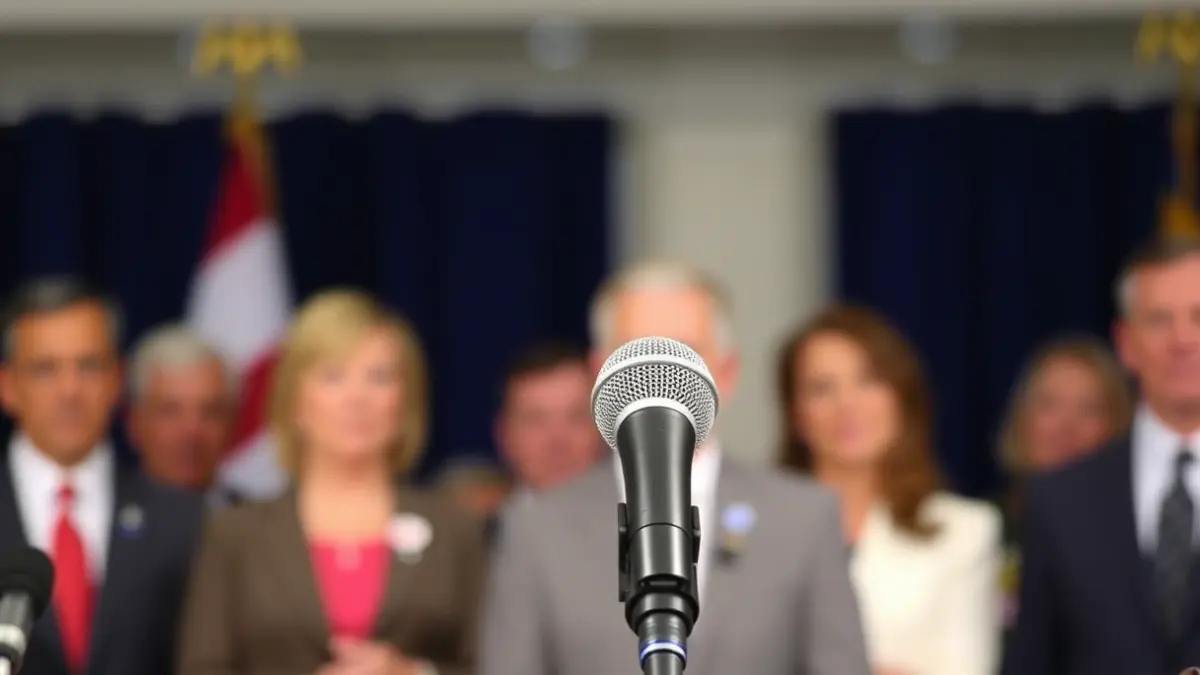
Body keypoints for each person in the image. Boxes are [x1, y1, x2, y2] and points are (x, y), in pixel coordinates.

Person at [479, 261, 870, 675]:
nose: (659, 371)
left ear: (727, 371)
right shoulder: (534, 526)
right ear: (599, 372)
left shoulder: (804, 517)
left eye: (684, 351)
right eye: (638, 351)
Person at [177, 289, 485, 675]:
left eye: (379, 377)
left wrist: (414, 674)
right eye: (333, 376)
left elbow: (497, 664)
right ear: (296, 401)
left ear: (404, 401)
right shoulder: (235, 535)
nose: (357, 397)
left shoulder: (456, 529)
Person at [1004, 236, 1200, 675]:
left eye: (1199, 317)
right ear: (1126, 343)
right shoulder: (1059, 500)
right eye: (1159, 320)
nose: (1183, 340)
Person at [777, 305, 1002, 675]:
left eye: (868, 381)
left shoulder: (965, 530)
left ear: (901, 397)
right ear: (796, 414)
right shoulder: (758, 526)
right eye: (822, 388)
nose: (847, 405)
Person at [0, 277, 202, 675]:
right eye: (45, 369)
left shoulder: (184, 521)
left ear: (116, 379)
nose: (70, 389)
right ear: (8, 386)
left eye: (89, 366)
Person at [993, 335, 1133, 628]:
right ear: (1022, 418)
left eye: (1089, 409)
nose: (1066, 426)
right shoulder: (980, 527)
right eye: (1049, 404)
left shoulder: (1137, 540)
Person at [126, 324, 240, 506]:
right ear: (134, 423)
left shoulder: (260, 528)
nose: (191, 431)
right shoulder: (99, 521)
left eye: (210, 412)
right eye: (170, 412)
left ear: (231, 424)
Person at [494, 341, 600, 501]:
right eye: (535, 420)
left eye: (576, 417)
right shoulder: (477, 522)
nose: (558, 441)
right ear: (504, 434)